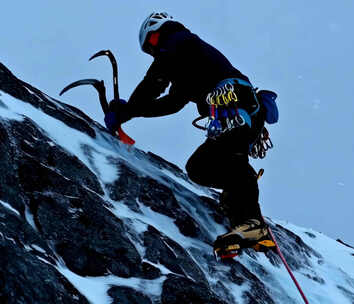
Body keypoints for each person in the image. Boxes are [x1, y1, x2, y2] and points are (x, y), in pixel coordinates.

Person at [104, 12, 275, 252]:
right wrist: (132, 111)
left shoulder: (179, 42)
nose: (154, 52)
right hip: (237, 112)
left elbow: (154, 82)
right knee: (199, 168)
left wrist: (127, 111)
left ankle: (253, 222)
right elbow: (171, 103)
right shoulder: (188, 64)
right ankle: (243, 213)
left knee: (229, 156)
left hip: (237, 109)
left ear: (159, 32)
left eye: (152, 44)